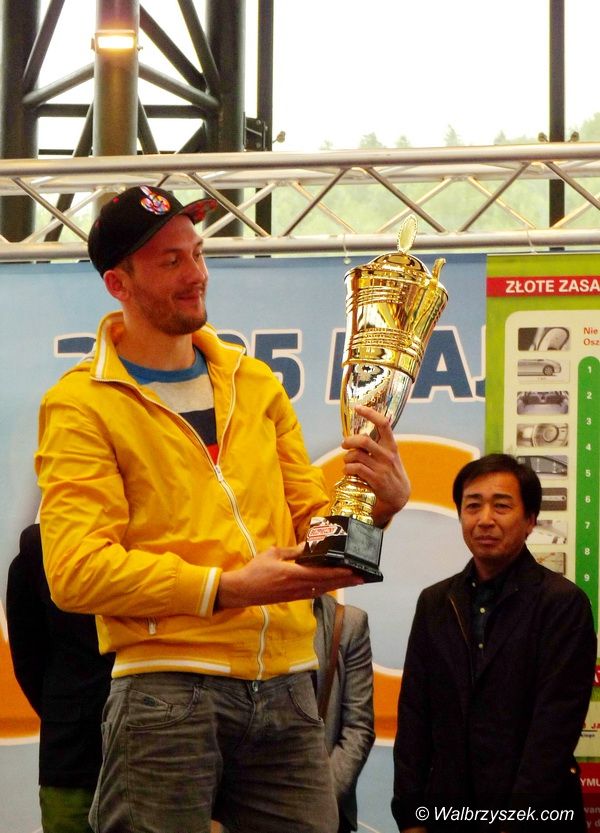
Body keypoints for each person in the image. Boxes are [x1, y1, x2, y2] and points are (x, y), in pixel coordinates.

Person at [35, 185, 410, 833]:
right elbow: (76, 572)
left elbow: (314, 529)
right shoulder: (80, 404)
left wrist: (376, 512)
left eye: (197, 253)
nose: (196, 273)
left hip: (290, 682)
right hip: (165, 689)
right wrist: (227, 588)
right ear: (118, 284)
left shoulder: (254, 380)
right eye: (170, 261)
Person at [392, 453, 596, 833]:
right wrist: (411, 816)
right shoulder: (436, 602)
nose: (485, 519)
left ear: (530, 520)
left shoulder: (562, 604)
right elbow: (415, 715)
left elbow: (554, 728)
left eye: (501, 506)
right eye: (473, 506)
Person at [6, 523, 113, 833]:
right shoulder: (38, 548)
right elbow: (28, 658)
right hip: (73, 754)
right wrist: (65, 712)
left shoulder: (159, 538)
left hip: (159, 750)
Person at [314, 594, 376, 833]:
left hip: (326, 811)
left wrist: (318, 803)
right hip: (252, 813)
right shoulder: (245, 620)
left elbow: (358, 728)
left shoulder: (348, 622)